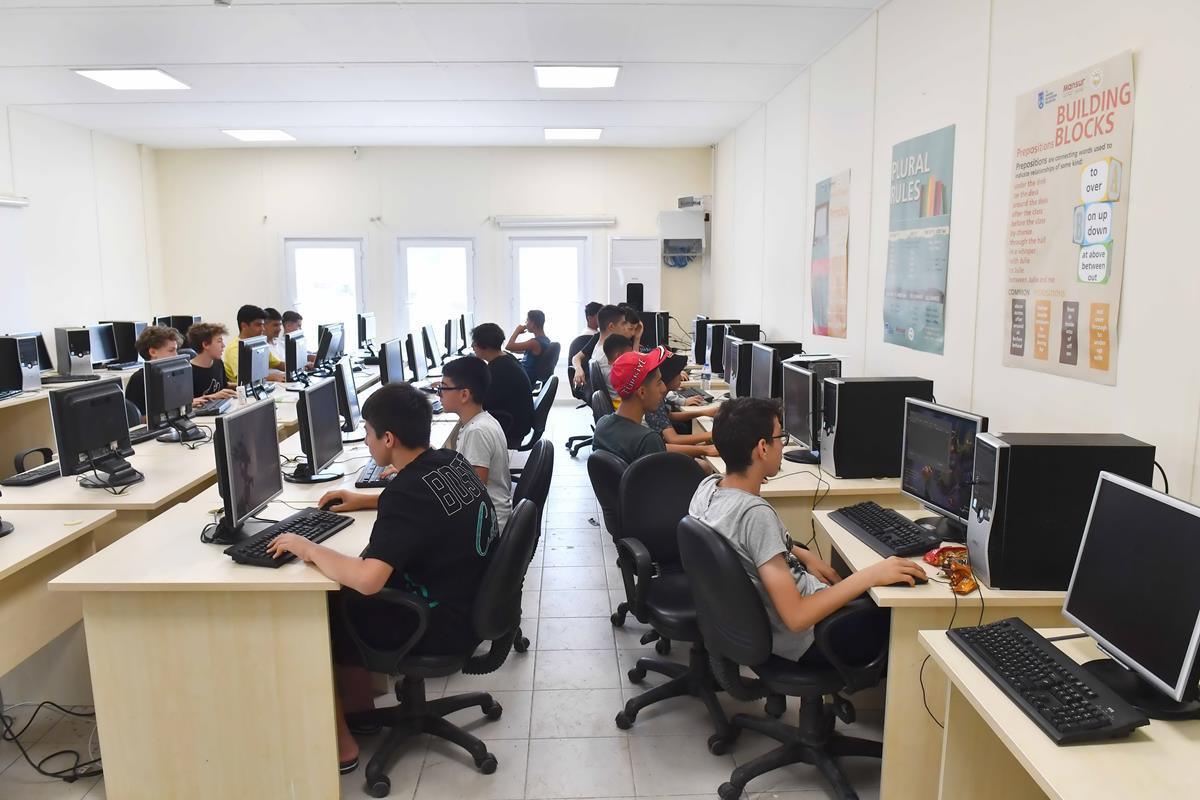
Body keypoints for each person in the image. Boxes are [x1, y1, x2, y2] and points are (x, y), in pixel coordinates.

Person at [268, 382, 499, 773]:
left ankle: (342, 741)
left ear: (388, 438)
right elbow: (431, 503)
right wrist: (366, 499)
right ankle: (362, 711)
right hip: (471, 604)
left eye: (368, 433)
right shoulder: (451, 461)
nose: (366, 440)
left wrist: (307, 548)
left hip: (435, 624)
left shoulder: (405, 493)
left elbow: (369, 579)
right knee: (344, 593)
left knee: (326, 607)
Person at [689, 397, 924, 664]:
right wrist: (870, 575)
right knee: (902, 611)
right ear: (762, 448)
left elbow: (746, 545)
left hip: (770, 625)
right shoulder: (754, 514)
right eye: (780, 437)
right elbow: (797, 617)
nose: (783, 444)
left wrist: (801, 552)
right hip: (812, 637)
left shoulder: (708, 488)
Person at [438, 356, 513, 529]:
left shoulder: (477, 431)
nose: (439, 394)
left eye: (443, 388)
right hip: (487, 515)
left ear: (464, 394)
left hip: (487, 526)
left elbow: (472, 490)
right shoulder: (482, 420)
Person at [592, 347, 670, 464]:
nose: (664, 388)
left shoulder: (602, 425)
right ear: (642, 392)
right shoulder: (648, 440)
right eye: (658, 383)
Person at [645, 351, 720, 463]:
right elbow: (673, 439)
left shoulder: (657, 400)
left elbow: (669, 416)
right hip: (659, 458)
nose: (681, 376)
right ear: (668, 378)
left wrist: (704, 412)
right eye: (678, 373)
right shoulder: (654, 402)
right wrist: (713, 435)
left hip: (661, 451)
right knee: (705, 465)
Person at [470, 322, 534, 447]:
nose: (472, 347)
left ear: (483, 346)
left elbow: (481, 403)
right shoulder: (506, 358)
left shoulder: (499, 369)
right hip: (517, 421)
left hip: (511, 429)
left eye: (474, 343)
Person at [124, 325, 194, 421]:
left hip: (173, 423)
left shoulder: (172, 374)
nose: (176, 355)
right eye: (171, 350)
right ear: (153, 352)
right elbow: (135, 420)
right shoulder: (139, 379)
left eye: (176, 350)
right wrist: (167, 415)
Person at [571, 304, 633, 391]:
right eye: (623, 324)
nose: (626, 328)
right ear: (611, 326)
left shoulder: (600, 340)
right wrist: (578, 369)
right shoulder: (610, 353)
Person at [224, 304, 285, 384]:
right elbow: (245, 377)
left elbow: (278, 364)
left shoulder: (259, 344)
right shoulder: (235, 349)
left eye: (263, 325)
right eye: (258, 325)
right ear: (244, 326)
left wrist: (294, 366)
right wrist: (273, 377)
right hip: (243, 390)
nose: (263, 329)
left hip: (261, 387)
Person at [186, 322, 237, 402]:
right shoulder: (188, 371)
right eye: (219, 341)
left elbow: (224, 385)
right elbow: (186, 404)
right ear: (206, 344)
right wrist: (214, 396)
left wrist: (243, 385)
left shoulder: (218, 362)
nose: (223, 345)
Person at [506, 309, 551, 384]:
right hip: (527, 375)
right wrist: (513, 349)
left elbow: (509, 346)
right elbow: (526, 352)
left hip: (523, 377)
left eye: (527, 321)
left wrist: (517, 331)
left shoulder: (534, 342)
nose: (526, 324)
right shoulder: (546, 340)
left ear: (532, 323)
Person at [599, 334, 633, 410]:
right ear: (618, 356)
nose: (631, 357)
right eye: (629, 355)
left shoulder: (606, 369)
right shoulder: (618, 374)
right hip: (624, 408)